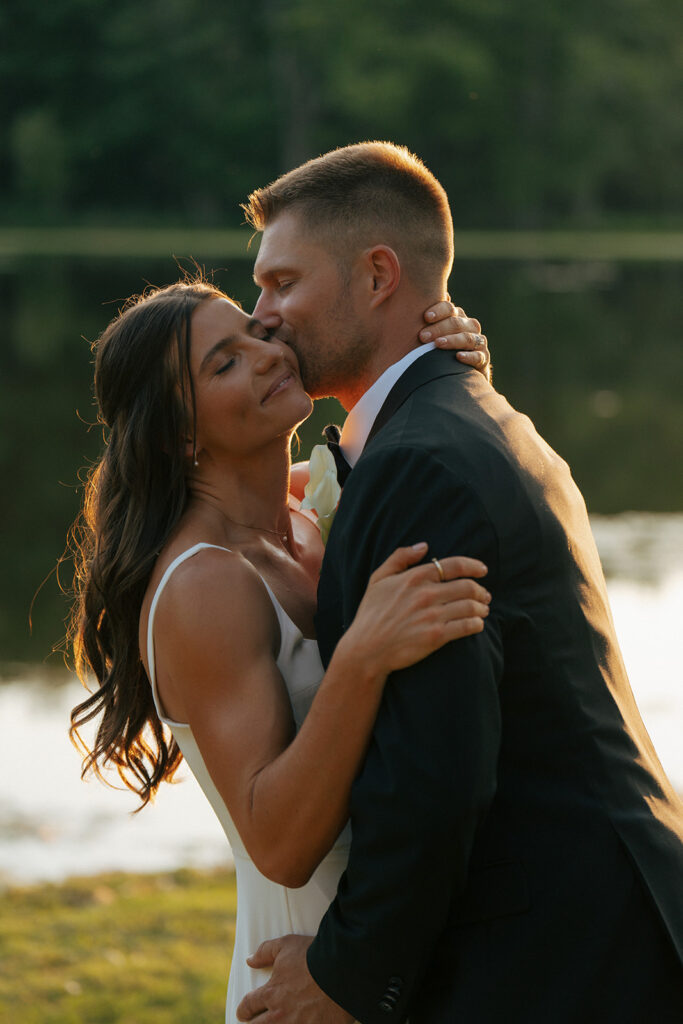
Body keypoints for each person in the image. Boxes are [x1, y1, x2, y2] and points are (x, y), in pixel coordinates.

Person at [235, 142, 683, 1024]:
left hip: (566, 956)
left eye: (282, 283)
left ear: (376, 276)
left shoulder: (421, 464)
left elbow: (437, 769)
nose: (262, 317)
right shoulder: (462, 416)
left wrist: (348, 974)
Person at [68, 278, 493, 1022]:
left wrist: (454, 371)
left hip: (386, 949)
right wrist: (361, 658)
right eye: (224, 364)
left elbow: (410, 454)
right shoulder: (206, 586)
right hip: (302, 974)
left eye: (255, 336)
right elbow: (279, 842)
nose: (266, 357)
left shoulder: (304, 515)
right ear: (180, 434)